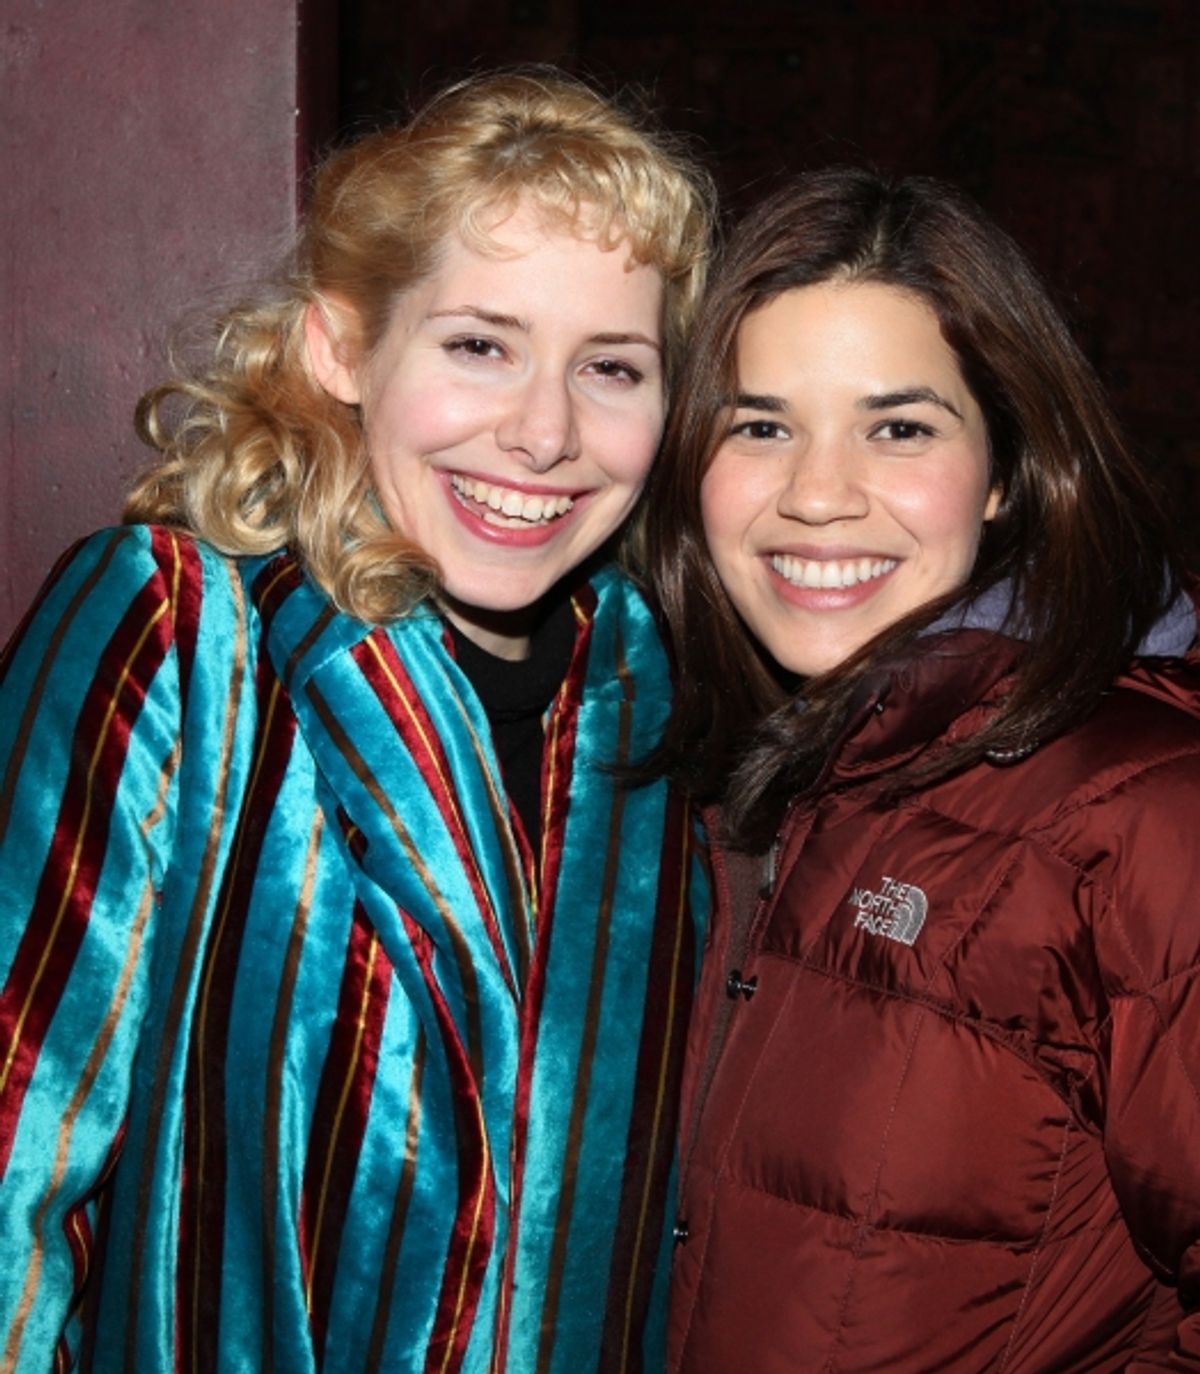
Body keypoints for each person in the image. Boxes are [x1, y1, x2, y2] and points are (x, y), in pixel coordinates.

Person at [0, 71, 714, 1372]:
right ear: (341, 347)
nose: (545, 431)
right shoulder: (176, 628)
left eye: (612, 366)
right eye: (480, 345)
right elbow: (11, 1160)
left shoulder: (663, 706)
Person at [645, 167, 1200, 1370]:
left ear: (1006, 470)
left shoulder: (1147, 810)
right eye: (761, 424)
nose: (817, 494)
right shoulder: (712, 795)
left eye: (898, 427)